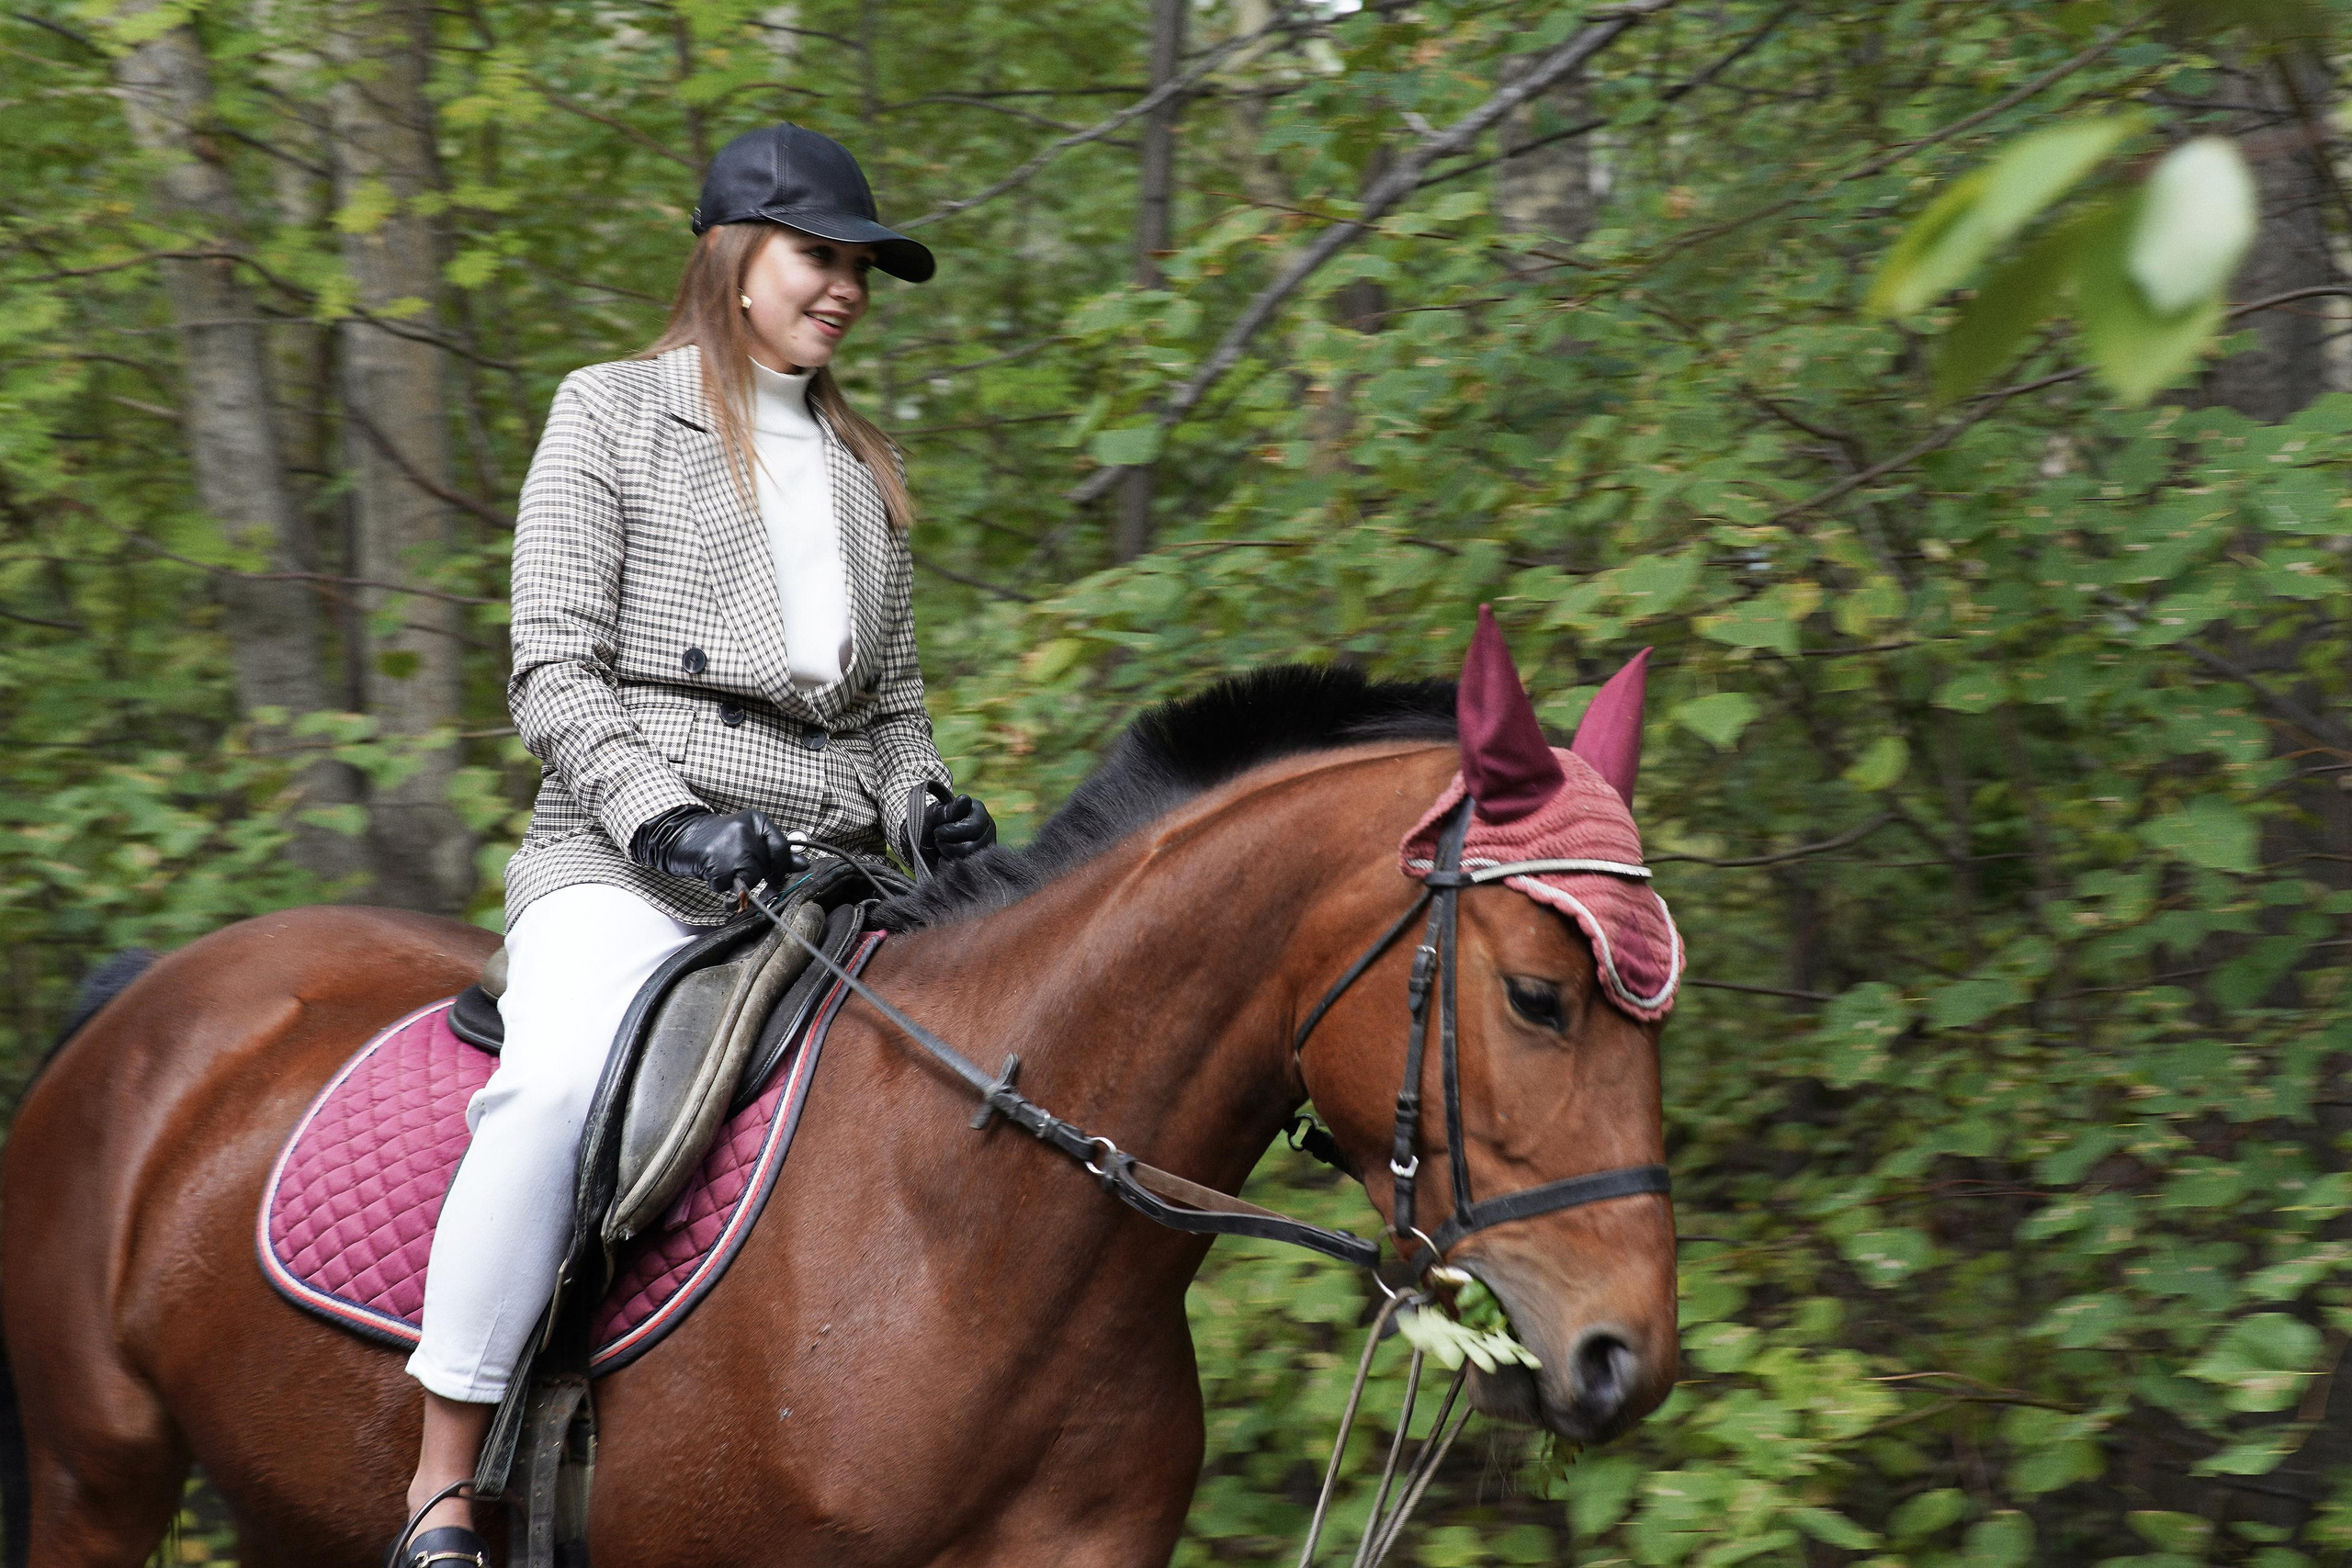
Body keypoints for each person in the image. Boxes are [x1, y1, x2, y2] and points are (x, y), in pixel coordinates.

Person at [392, 123, 996, 1567]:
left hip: (832, 874)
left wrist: (926, 805)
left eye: (861, 267)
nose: (845, 286)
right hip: (625, 858)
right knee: (554, 1091)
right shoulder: (606, 413)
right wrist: (664, 814)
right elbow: (550, 667)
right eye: (820, 256)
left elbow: (893, 707)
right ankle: (443, 1478)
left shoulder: (862, 464)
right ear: (735, 260)